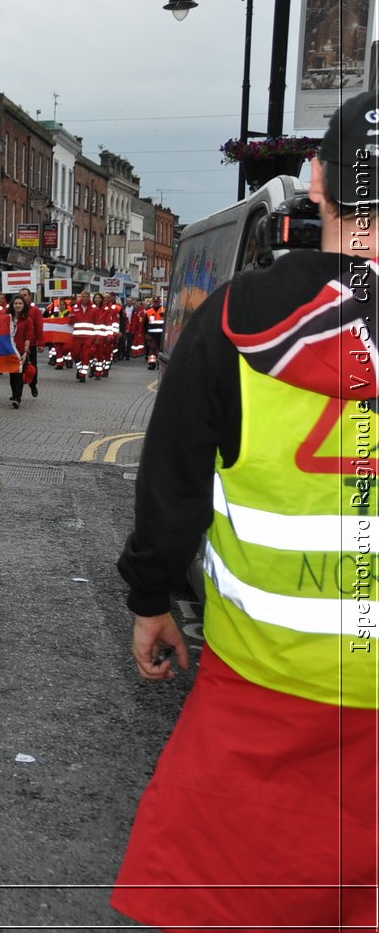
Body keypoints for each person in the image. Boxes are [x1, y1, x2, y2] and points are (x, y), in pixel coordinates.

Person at [110, 90, 379, 930]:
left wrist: (152, 599)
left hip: (264, 686)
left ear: (319, 178)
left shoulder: (235, 319)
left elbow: (172, 485)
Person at [5, 293, 38, 409]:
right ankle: (14, 395)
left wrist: (25, 352)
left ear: (24, 305)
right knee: (12, 376)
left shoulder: (27, 320)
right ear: (12, 305)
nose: (18, 305)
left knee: (19, 376)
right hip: (9, 351)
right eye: (16, 303)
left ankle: (17, 398)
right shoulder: (7, 318)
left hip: (21, 352)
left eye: (20, 303)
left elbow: (28, 337)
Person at [143, 295, 166, 370]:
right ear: (153, 302)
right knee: (152, 348)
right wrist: (146, 333)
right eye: (154, 302)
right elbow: (145, 324)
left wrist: (165, 315)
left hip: (161, 334)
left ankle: (159, 363)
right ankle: (152, 364)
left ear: (160, 302)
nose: (156, 303)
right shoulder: (149, 312)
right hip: (152, 334)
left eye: (157, 302)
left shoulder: (164, 310)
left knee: (160, 349)